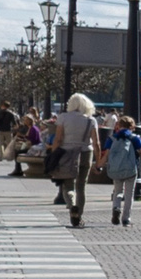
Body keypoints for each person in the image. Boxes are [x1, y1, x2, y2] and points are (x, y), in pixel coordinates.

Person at [48, 92, 99, 225]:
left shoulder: (63, 117)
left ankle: (72, 207)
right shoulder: (91, 120)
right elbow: (96, 142)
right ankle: (79, 216)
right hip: (85, 153)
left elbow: (58, 138)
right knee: (81, 186)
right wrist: (98, 161)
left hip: (66, 153)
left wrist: (54, 155)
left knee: (67, 185)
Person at [103, 114, 141, 224]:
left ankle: (116, 208)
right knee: (129, 194)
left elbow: (106, 155)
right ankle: (126, 218)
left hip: (116, 169)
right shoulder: (134, 138)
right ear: (132, 127)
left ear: (119, 126)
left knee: (118, 191)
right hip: (131, 170)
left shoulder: (112, 138)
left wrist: (99, 165)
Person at [0, 102, 17, 173]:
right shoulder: (11, 114)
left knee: (0, 144)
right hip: (8, 130)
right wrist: (14, 128)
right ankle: (9, 157)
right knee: (9, 144)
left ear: (2, 106)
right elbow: (14, 122)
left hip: (0, 130)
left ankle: (1, 156)